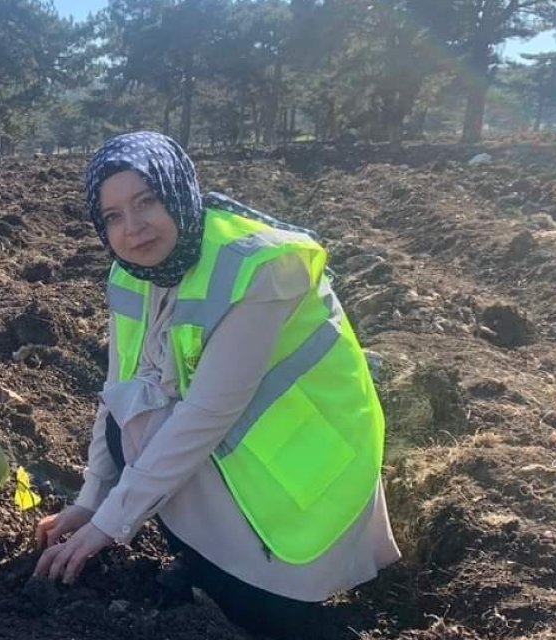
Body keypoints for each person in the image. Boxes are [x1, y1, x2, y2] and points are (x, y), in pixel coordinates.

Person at [32, 131, 400, 639]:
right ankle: (208, 563)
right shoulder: (131, 274)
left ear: (179, 192)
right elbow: (118, 392)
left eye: (147, 201)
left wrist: (108, 526)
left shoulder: (257, 267)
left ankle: (264, 587)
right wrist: (91, 498)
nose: (133, 229)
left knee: (274, 621)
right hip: (241, 454)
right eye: (113, 216)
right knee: (132, 425)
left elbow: (207, 414)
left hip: (303, 469)